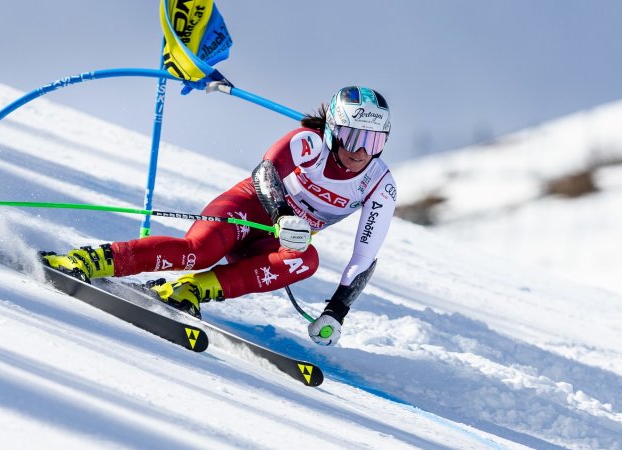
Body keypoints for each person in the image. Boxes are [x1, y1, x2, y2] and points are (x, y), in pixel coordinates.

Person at [42, 86, 397, 346]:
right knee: (198, 251)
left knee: (305, 259)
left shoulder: (379, 184)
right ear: (334, 130)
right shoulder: (310, 142)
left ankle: (187, 290)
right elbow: (265, 173)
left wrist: (336, 312)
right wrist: (284, 213)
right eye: (351, 137)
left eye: (373, 141)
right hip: (250, 208)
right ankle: (86, 260)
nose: (361, 152)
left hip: (277, 237)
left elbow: (364, 257)